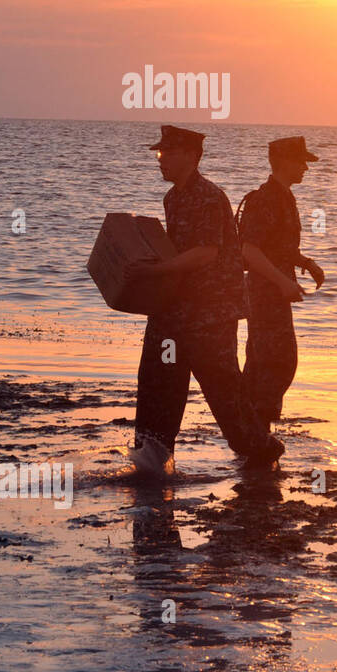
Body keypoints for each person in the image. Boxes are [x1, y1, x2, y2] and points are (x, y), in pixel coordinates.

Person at [123, 126, 283, 474]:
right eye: (159, 154)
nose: (160, 160)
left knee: (223, 388)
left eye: (166, 153)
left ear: (190, 157)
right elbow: (178, 253)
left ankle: (261, 449)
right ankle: (151, 455)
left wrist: (156, 270)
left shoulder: (210, 197)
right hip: (173, 308)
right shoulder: (173, 198)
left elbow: (205, 254)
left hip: (211, 312)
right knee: (157, 377)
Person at [237, 136, 325, 430]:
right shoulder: (263, 199)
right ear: (284, 162)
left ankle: (255, 427)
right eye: (301, 162)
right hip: (263, 293)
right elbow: (249, 250)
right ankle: (254, 429)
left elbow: (279, 248)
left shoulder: (285, 197)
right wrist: (281, 282)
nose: (305, 169)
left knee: (273, 360)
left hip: (275, 291)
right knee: (273, 361)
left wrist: (306, 264)